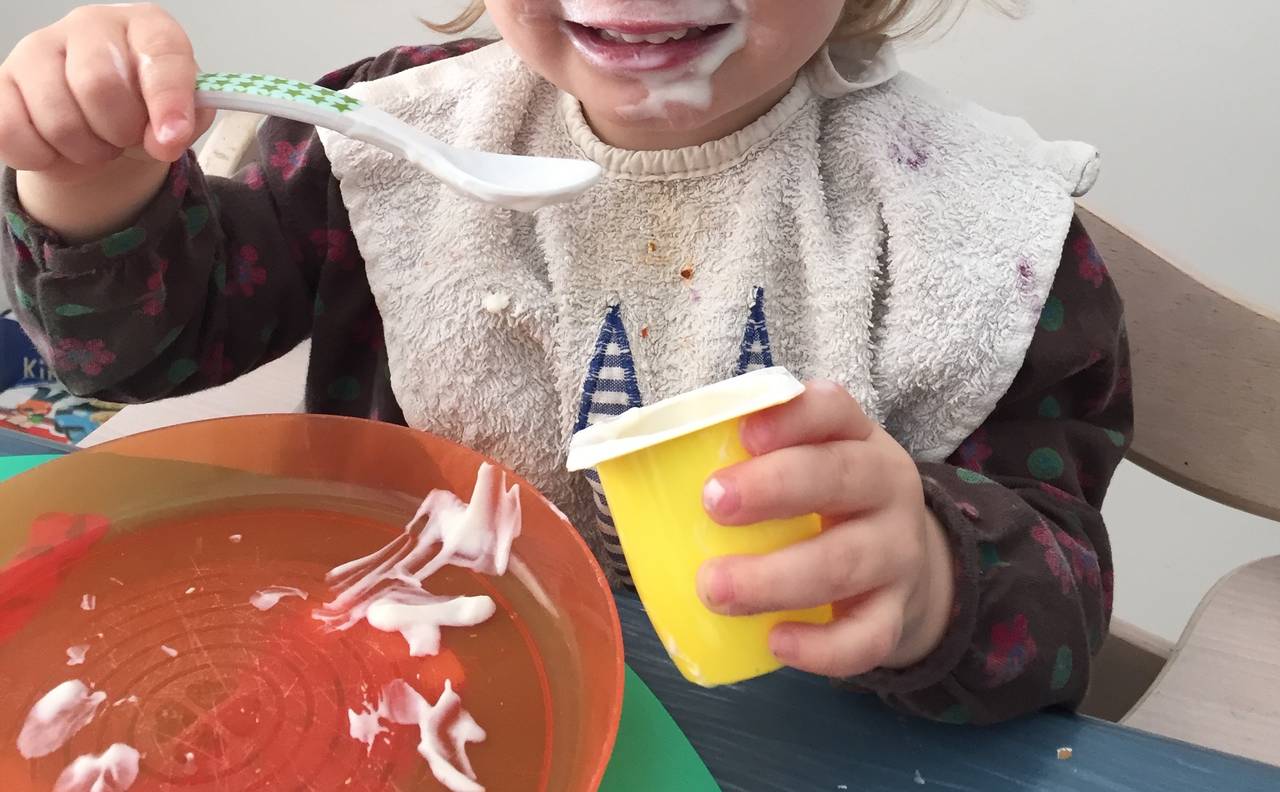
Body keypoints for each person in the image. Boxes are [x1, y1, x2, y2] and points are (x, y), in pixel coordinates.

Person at [0, 1, 1130, 723]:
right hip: (397, 696)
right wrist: (90, 180)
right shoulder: (388, 138)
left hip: (796, 741)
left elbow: (1059, 614)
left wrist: (935, 580)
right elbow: (140, 349)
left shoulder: (974, 229)